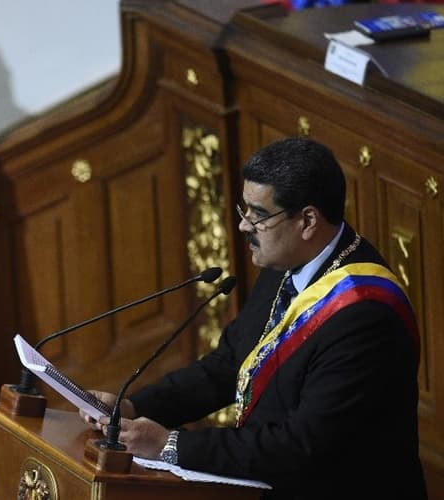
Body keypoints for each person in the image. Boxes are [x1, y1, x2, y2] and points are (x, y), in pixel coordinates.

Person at [80, 138, 426, 499]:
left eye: (258, 215)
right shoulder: (288, 262)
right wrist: (134, 407)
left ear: (307, 220)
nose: (245, 226)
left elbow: (300, 443)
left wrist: (172, 446)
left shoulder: (365, 316)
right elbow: (228, 363)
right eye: (243, 210)